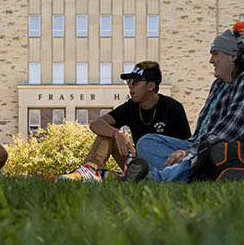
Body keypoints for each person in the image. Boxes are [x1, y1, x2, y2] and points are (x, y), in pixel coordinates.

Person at [129, 22, 244, 182]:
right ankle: (187, 173)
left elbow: (232, 129)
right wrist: (186, 151)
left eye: (215, 54)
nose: (211, 61)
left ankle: (155, 178)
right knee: (147, 142)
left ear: (233, 56)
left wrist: (191, 153)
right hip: (210, 148)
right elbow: (200, 135)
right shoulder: (219, 85)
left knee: (211, 151)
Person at [59, 61, 191, 181]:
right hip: (138, 164)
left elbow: (185, 147)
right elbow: (96, 124)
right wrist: (117, 134)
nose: (130, 87)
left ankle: (120, 178)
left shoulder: (173, 107)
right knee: (107, 134)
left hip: (165, 164)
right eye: (129, 82)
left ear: (151, 85)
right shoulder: (131, 106)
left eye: (135, 82)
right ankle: (90, 170)